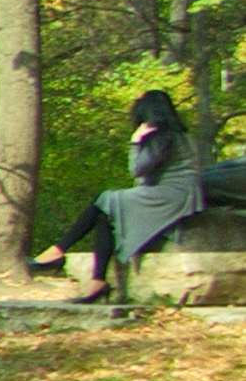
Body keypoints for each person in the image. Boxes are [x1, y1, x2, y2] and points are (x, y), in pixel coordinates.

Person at [41, 88, 207, 303]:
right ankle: (97, 282)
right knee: (105, 214)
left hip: (171, 196)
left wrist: (136, 140)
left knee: (105, 199)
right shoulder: (179, 135)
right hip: (176, 194)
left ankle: (58, 250)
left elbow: (136, 170)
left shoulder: (163, 138)